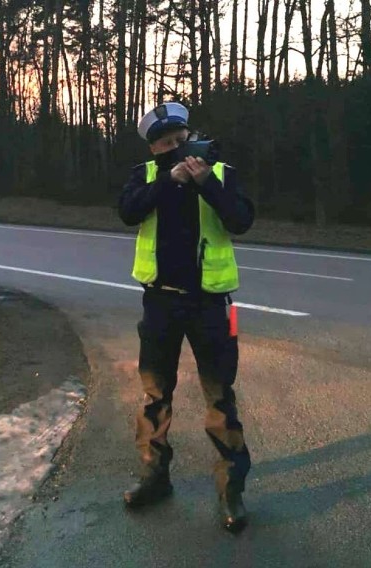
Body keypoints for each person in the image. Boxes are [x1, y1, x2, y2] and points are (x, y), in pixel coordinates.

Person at [118, 102, 255, 533]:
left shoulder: (218, 173)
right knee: (155, 396)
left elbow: (241, 219)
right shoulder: (145, 175)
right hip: (160, 303)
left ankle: (231, 490)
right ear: (155, 147)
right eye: (167, 144)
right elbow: (128, 212)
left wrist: (203, 183)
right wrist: (167, 181)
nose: (178, 149)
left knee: (220, 397)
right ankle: (154, 478)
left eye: (183, 140)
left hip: (211, 304)